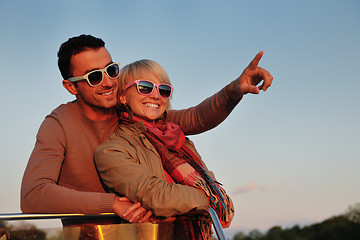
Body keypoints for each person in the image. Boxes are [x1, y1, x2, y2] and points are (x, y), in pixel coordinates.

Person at [20, 34, 273, 223]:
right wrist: (111, 204)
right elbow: (33, 195)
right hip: (89, 235)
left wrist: (234, 90)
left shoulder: (134, 117)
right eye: (94, 76)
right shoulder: (59, 123)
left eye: (111, 70)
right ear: (71, 86)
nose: (108, 82)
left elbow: (196, 117)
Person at [95, 59, 235, 239]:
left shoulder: (182, 142)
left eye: (163, 90)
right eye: (144, 87)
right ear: (122, 96)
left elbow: (213, 189)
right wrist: (212, 199)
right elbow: (157, 196)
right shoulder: (112, 150)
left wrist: (207, 197)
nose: (155, 96)